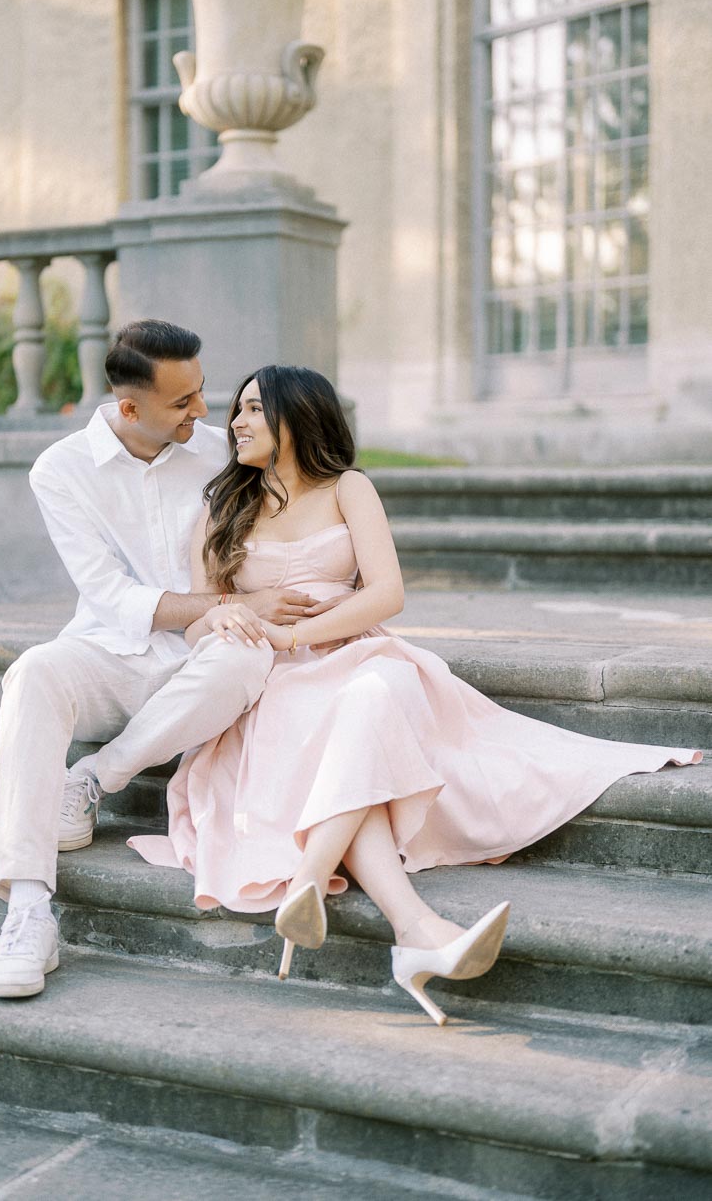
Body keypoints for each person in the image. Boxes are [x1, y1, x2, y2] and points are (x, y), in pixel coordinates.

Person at [129, 365, 702, 1026]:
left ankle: (315, 880)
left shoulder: (349, 488)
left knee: (377, 691)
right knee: (339, 724)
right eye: (237, 410)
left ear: (296, 416)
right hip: (267, 679)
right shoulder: (221, 505)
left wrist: (302, 635)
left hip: (353, 651)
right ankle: (414, 928)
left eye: (254, 409)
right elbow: (199, 615)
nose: (236, 422)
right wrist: (226, 618)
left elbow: (386, 594)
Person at [0, 323, 330, 1000]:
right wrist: (223, 600)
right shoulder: (61, 470)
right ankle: (26, 911)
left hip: (205, 656)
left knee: (242, 659)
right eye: (183, 403)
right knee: (33, 673)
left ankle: (90, 780)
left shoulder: (215, 454)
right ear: (130, 408)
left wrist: (258, 601)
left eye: (202, 394)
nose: (203, 413)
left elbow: (302, 495)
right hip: (109, 649)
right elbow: (109, 595)